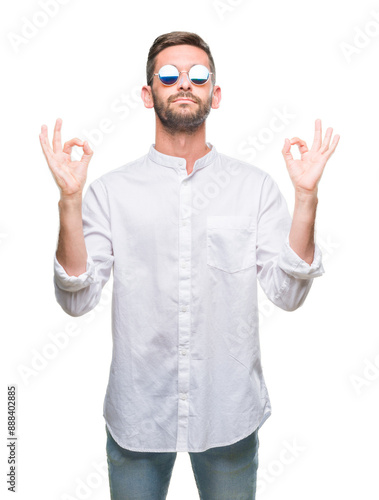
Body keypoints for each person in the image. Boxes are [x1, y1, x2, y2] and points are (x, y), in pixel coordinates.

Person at [39, 31, 339, 500]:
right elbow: (77, 298)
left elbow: (288, 293)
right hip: (139, 411)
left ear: (214, 95)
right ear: (147, 93)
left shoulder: (254, 188)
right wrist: (69, 200)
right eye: (168, 75)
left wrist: (306, 198)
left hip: (227, 410)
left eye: (198, 76)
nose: (184, 83)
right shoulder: (109, 192)